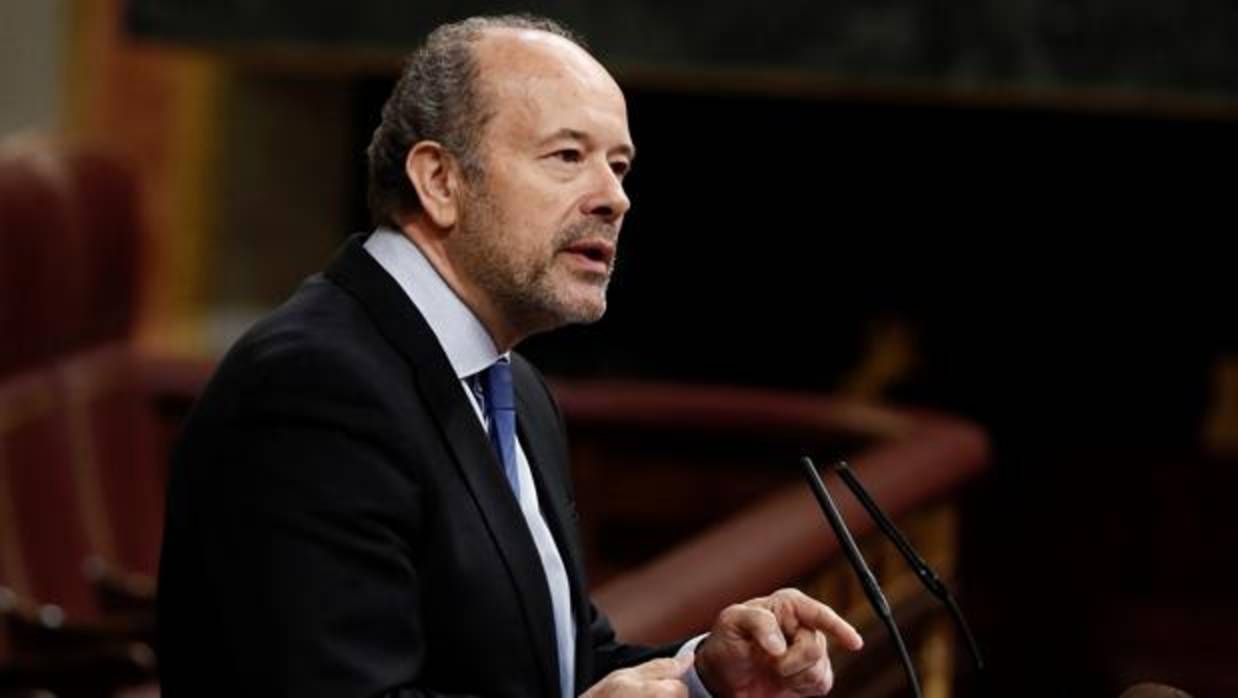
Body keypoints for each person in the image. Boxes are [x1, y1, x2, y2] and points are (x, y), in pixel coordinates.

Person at [156, 14, 862, 698]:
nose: (615, 198)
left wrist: (706, 674)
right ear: (439, 180)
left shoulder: (511, 385)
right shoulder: (312, 387)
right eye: (568, 156)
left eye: (619, 166)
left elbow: (554, 669)